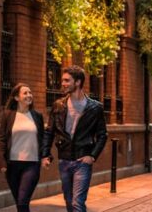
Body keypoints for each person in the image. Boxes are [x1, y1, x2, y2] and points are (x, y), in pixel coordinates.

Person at [42, 66, 107, 212]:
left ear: (77, 82)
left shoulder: (95, 108)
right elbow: (49, 131)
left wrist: (92, 156)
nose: (63, 83)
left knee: (78, 203)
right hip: (64, 160)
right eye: (63, 80)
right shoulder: (58, 105)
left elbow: (102, 134)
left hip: (82, 161)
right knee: (69, 201)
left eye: (67, 80)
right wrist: (45, 154)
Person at [0, 83, 46, 212]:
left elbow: (43, 138)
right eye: (25, 93)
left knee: (23, 200)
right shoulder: (8, 115)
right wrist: (1, 161)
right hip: (12, 164)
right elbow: (2, 139)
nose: (29, 95)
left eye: (30, 93)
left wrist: (46, 156)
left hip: (32, 164)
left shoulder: (37, 116)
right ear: (16, 98)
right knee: (20, 203)